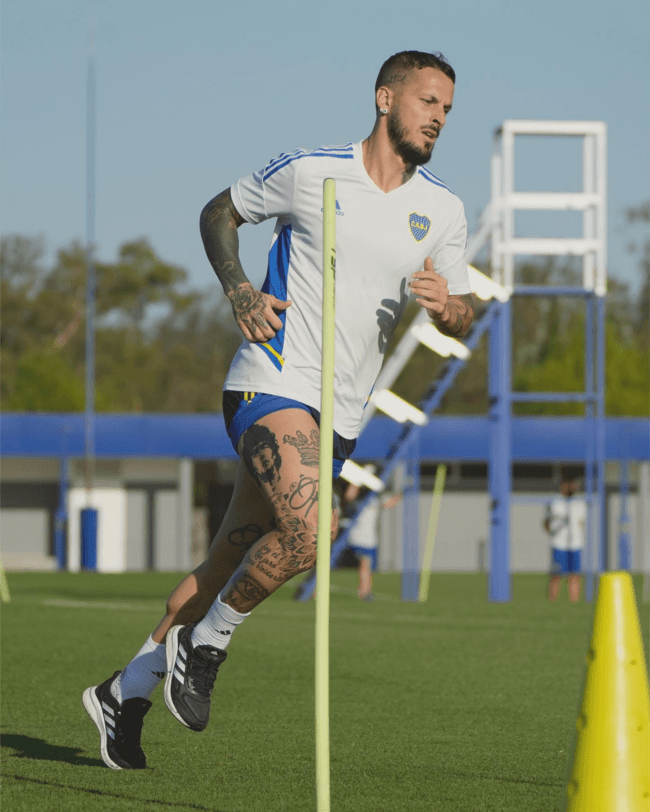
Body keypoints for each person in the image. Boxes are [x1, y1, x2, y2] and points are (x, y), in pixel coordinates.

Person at [83, 49, 475, 770]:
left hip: (341, 416)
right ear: (385, 100)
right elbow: (218, 214)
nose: (439, 119)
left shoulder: (442, 209)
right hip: (272, 380)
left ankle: (123, 692)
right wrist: (238, 290)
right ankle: (206, 646)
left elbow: (465, 311)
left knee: (222, 562)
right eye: (428, 102)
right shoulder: (311, 170)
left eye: (448, 109)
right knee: (313, 525)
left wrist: (452, 306)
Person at [342, 473, 401, 601]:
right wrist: (358, 479)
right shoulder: (357, 499)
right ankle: (364, 592)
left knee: (365, 566)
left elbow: (390, 502)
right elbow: (349, 495)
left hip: (368, 538)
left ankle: (365, 591)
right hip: (353, 536)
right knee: (362, 564)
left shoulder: (375, 499)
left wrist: (401, 492)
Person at [543, 475, 587, 603]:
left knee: (575, 575)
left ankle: (574, 602)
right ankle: (552, 601)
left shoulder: (579, 503)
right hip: (559, 544)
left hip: (575, 544)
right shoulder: (555, 502)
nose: (573, 487)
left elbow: (582, 521)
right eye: (570, 484)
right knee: (556, 575)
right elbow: (547, 522)